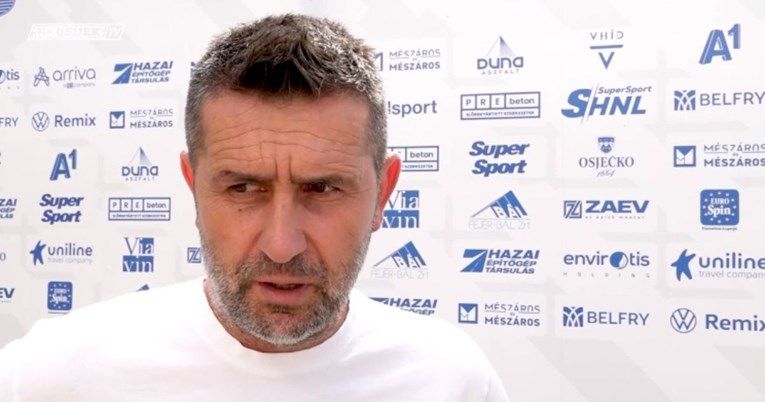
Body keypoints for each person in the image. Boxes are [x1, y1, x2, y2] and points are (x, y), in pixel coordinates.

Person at [0, 14, 508, 401]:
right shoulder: (51, 375)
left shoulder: (452, 380)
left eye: (323, 189)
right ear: (193, 187)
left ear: (383, 194)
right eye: (243, 188)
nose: (282, 246)